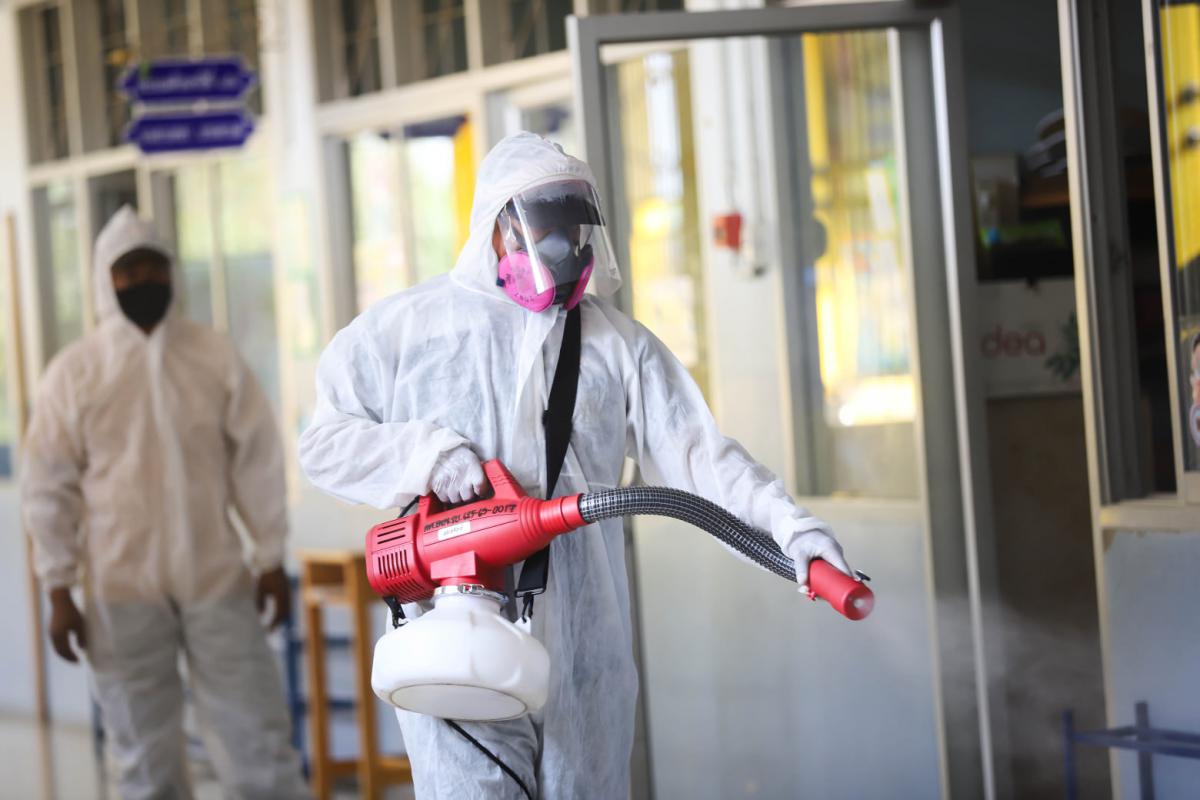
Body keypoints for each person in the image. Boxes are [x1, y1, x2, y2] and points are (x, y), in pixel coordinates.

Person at [298, 133, 854, 798]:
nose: (563, 246)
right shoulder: (406, 333)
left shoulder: (616, 345)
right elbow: (324, 443)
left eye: (574, 227)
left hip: (584, 658)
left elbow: (702, 458)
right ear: (498, 227)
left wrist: (792, 532)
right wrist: (426, 456)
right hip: (457, 646)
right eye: (545, 226)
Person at [22, 206, 310, 800]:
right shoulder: (75, 373)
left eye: (153, 267)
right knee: (142, 757)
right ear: (105, 279)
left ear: (171, 272)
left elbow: (256, 460)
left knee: (257, 740)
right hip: (120, 588)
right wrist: (57, 588)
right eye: (128, 270)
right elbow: (48, 485)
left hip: (216, 578)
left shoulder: (212, 355)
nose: (143, 280)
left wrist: (269, 557)